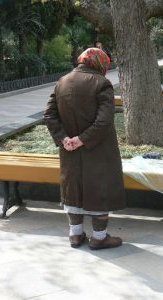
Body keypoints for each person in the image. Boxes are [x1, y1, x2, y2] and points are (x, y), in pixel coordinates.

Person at [44, 48, 125, 250]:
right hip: (98, 149)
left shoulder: (61, 82)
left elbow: (49, 115)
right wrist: (82, 139)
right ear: (100, 63)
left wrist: (64, 139)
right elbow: (105, 120)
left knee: (73, 189)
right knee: (100, 188)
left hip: (69, 149)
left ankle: (75, 235)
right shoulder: (102, 83)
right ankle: (99, 237)